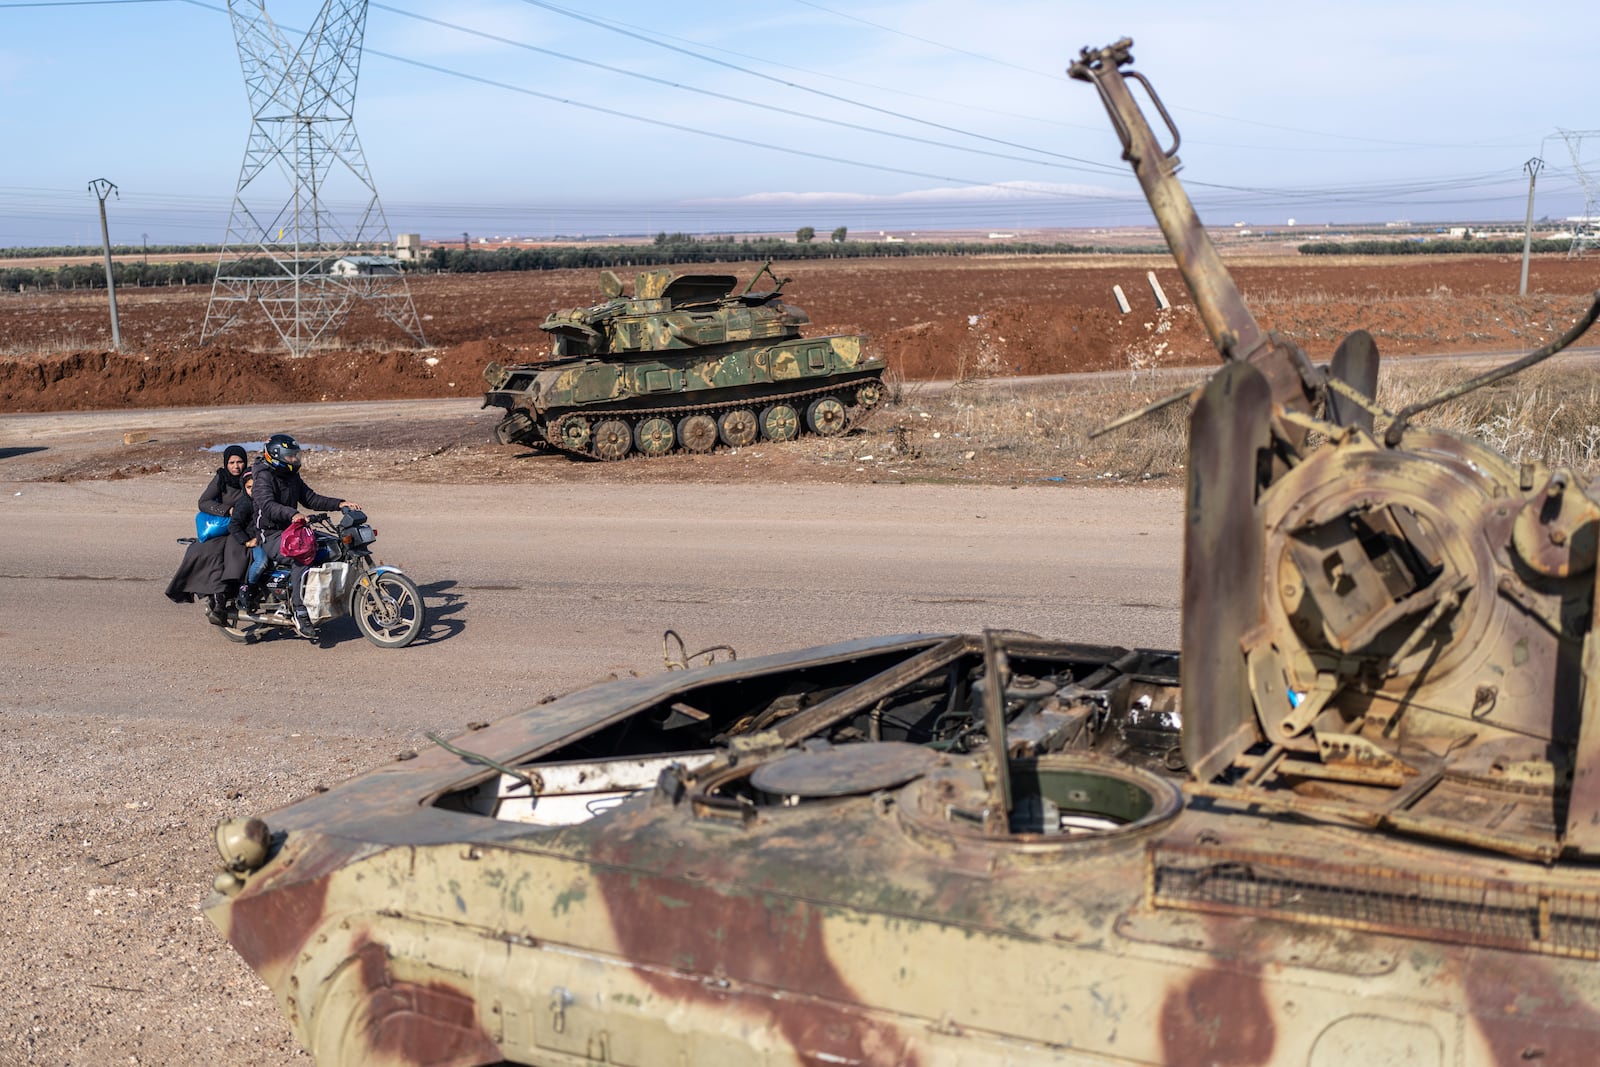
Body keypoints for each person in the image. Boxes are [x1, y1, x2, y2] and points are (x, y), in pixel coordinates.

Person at [252, 432, 358, 640]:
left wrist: (340, 503)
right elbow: (268, 505)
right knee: (303, 557)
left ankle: (323, 599)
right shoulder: (263, 476)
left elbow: (310, 498)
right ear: (276, 455)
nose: (294, 459)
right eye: (290, 456)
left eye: (295, 455)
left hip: (293, 529)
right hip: (271, 534)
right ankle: (301, 613)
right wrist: (293, 514)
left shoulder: (291, 476)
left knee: (332, 545)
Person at [165, 444, 252, 624]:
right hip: (224, 527)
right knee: (201, 552)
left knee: (235, 554)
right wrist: (227, 510)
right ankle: (217, 598)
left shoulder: (251, 478)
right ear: (226, 464)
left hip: (244, 528)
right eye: (232, 462)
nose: (236, 466)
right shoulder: (221, 478)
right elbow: (203, 502)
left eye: (240, 462)